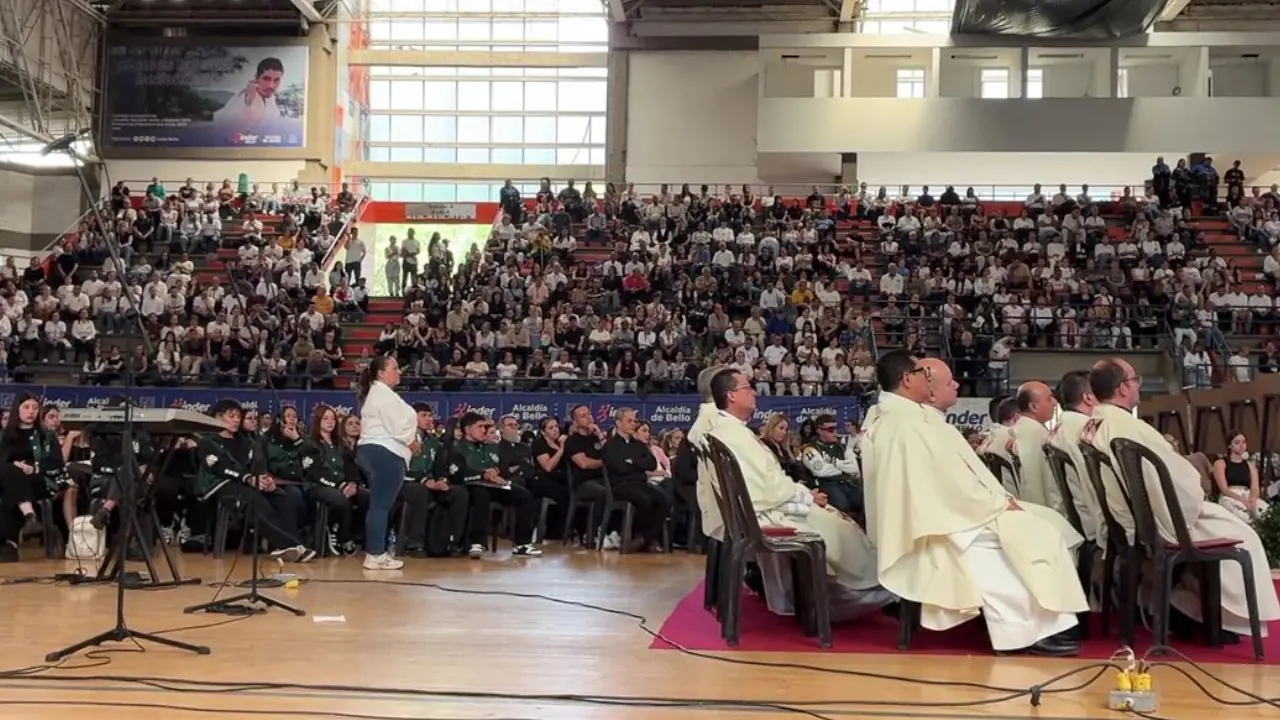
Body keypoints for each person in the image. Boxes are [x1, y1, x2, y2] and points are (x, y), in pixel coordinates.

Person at [862, 351, 1086, 656]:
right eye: (922, 374)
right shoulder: (905, 422)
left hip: (942, 511)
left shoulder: (902, 416)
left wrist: (995, 502)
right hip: (937, 521)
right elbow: (942, 484)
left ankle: (1046, 623)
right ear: (907, 379)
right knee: (1031, 533)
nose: (928, 381)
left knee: (1037, 526)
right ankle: (1025, 629)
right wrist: (994, 505)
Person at [1085, 358, 1280, 638]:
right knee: (1245, 537)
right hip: (1161, 521)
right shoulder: (1130, 428)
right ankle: (1219, 620)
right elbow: (1181, 481)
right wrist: (1196, 491)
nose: (1139, 384)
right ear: (1122, 388)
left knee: (1227, 524)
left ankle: (1188, 610)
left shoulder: (1096, 424)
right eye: (1135, 379)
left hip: (1132, 521)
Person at [705, 368, 893, 612]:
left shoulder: (730, 430)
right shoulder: (735, 435)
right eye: (747, 387)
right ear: (731, 395)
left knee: (834, 516)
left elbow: (766, 484)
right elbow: (770, 487)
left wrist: (803, 496)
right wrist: (806, 497)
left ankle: (832, 594)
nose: (754, 392)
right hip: (765, 514)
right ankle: (866, 590)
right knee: (839, 525)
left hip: (761, 508)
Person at [918, 359, 1083, 552]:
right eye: (949, 383)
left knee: (1052, 523)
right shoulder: (929, 428)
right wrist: (1002, 504)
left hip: (985, 507)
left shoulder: (938, 426)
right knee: (1054, 526)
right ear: (931, 393)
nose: (957, 384)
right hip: (963, 520)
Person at [194, 399, 315, 562]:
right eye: (231, 416)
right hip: (218, 484)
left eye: (238, 416)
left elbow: (256, 464)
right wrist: (248, 478)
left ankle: (292, 545)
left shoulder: (245, 441)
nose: (236, 420)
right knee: (255, 499)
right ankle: (287, 544)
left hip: (246, 482)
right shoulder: (207, 441)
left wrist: (265, 478)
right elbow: (221, 467)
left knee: (283, 497)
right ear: (218, 417)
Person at [355, 355, 419, 571]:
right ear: (381, 373)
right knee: (381, 505)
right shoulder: (382, 395)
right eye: (394, 367)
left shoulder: (381, 393)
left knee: (380, 504)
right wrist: (412, 442)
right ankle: (375, 554)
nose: (399, 371)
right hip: (385, 451)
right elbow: (398, 426)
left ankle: (376, 552)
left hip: (377, 451)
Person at [447, 411, 541, 559]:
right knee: (481, 495)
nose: (484, 430)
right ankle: (477, 542)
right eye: (480, 427)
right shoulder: (457, 448)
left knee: (525, 496)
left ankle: (522, 544)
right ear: (468, 429)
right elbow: (458, 474)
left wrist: (496, 472)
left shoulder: (490, 447)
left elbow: (503, 465)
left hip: (494, 484)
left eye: (485, 427)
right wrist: (483, 475)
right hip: (471, 485)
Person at [1047, 370, 1107, 547]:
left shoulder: (1061, 428)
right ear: (1088, 398)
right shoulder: (1086, 430)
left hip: (1072, 521)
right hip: (1093, 525)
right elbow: (1098, 486)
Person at [399, 405, 467, 557]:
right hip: (406, 483)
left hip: (431, 483)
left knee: (459, 493)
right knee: (420, 491)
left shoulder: (434, 443)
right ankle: (415, 543)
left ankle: (454, 542)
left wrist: (443, 480)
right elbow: (400, 468)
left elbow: (440, 467)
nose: (429, 419)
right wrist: (423, 479)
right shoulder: (402, 440)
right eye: (424, 415)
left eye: (430, 415)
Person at [602, 408, 671, 553]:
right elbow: (620, 467)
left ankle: (644, 538)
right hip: (621, 485)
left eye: (634, 421)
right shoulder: (611, 445)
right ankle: (643, 537)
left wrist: (632, 462)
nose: (633, 424)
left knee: (663, 498)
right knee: (644, 500)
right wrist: (639, 463)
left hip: (640, 483)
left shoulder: (639, 444)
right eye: (629, 421)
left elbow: (651, 463)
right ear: (618, 423)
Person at [302, 405, 368, 556]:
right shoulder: (310, 443)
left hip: (342, 485)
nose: (330, 422)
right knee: (339, 499)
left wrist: (352, 484)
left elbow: (350, 468)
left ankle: (356, 536)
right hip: (317, 485)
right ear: (318, 421)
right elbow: (315, 471)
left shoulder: (340, 443)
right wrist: (341, 485)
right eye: (325, 418)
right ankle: (335, 532)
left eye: (332, 418)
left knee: (366, 498)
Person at [0, 393, 59, 561]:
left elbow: (56, 464)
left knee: (8, 488)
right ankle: (29, 516)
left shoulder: (47, 435)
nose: (31, 411)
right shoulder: (4, 435)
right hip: (10, 480)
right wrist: (16, 466)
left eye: (35, 408)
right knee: (10, 473)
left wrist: (34, 468)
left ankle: (8, 542)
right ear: (17, 410)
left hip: (38, 480)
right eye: (26, 407)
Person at [1009, 382, 1065, 511]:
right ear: (1033, 406)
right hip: (1042, 510)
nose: (1055, 403)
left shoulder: (1023, 430)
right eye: (1049, 398)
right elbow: (1047, 488)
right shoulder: (1037, 436)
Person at [798, 413, 862, 516]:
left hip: (845, 483)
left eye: (836, 428)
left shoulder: (841, 447)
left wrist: (835, 463)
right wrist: (844, 467)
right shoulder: (810, 449)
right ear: (820, 431)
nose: (835, 433)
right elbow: (821, 471)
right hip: (825, 485)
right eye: (831, 430)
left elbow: (855, 468)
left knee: (864, 499)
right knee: (841, 504)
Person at [212, 57, 285, 131]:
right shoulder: (244, 96)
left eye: (276, 80)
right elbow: (224, 126)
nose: (270, 85)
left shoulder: (271, 98)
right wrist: (248, 101)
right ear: (257, 77)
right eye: (266, 79)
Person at [1213, 431, 1268, 524]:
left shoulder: (1250, 465)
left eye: (1244, 442)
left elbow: (1255, 488)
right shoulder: (1221, 463)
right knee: (1243, 517)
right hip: (1230, 496)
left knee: (1267, 514)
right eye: (1237, 442)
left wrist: (1252, 500)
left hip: (1248, 495)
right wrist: (1241, 500)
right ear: (1229, 446)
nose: (1241, 445)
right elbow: (1224, 489)